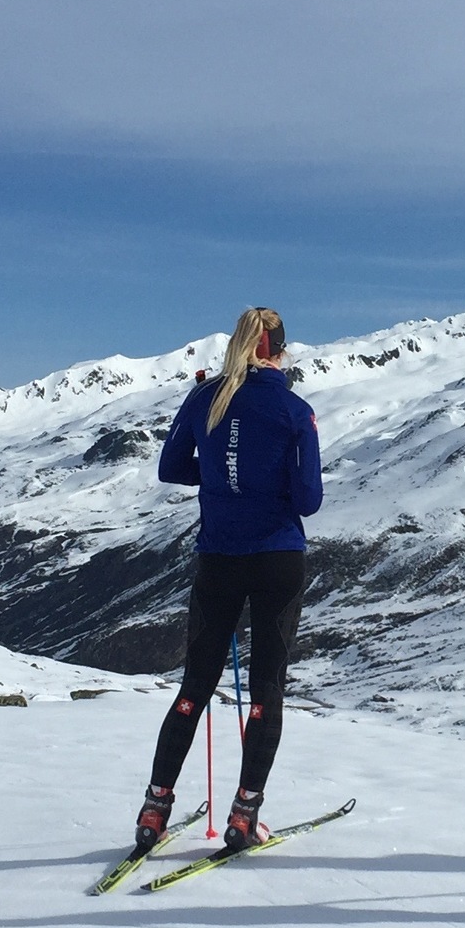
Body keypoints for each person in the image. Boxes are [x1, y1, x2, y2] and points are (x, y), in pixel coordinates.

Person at [130, 307, 323, 856]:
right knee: (265, 690)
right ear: (278, 350)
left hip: (218, 555)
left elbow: (171, 468)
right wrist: (268, 480)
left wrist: (219, 475)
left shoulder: (203, 398)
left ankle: (154, 808)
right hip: (277, 558)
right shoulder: (294, 410)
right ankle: (244, 814)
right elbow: (308, 499)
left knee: (194, 686)